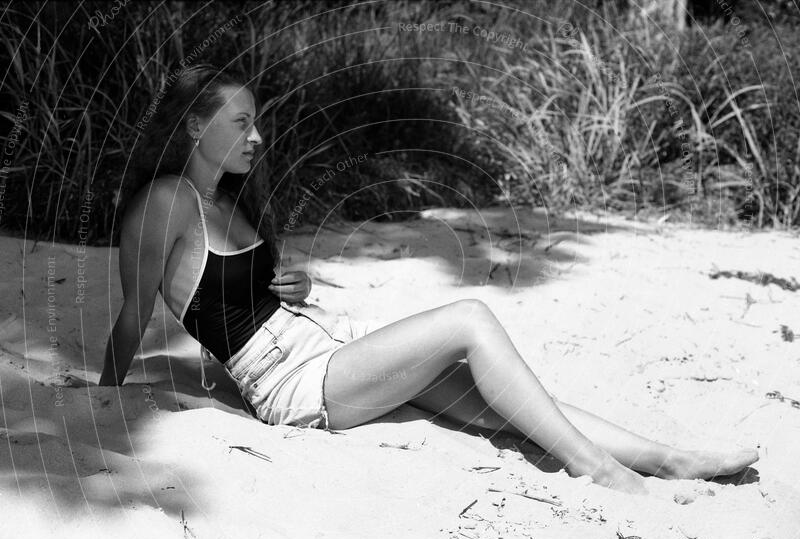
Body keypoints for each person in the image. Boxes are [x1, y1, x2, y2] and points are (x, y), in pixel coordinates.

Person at [99, 64, 758, 494]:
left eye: (257, 121)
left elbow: (225, 294)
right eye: (242, 122)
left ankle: (670, 459)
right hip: (296, 384)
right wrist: (100, 398)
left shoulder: (224, 205)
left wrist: (284, 288)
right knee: (470, 318)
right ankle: (598, 469)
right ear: (195, 126)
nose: (259, 135)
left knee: (514, 402)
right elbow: (135, 315)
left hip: (330, 348)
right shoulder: (166, 202)